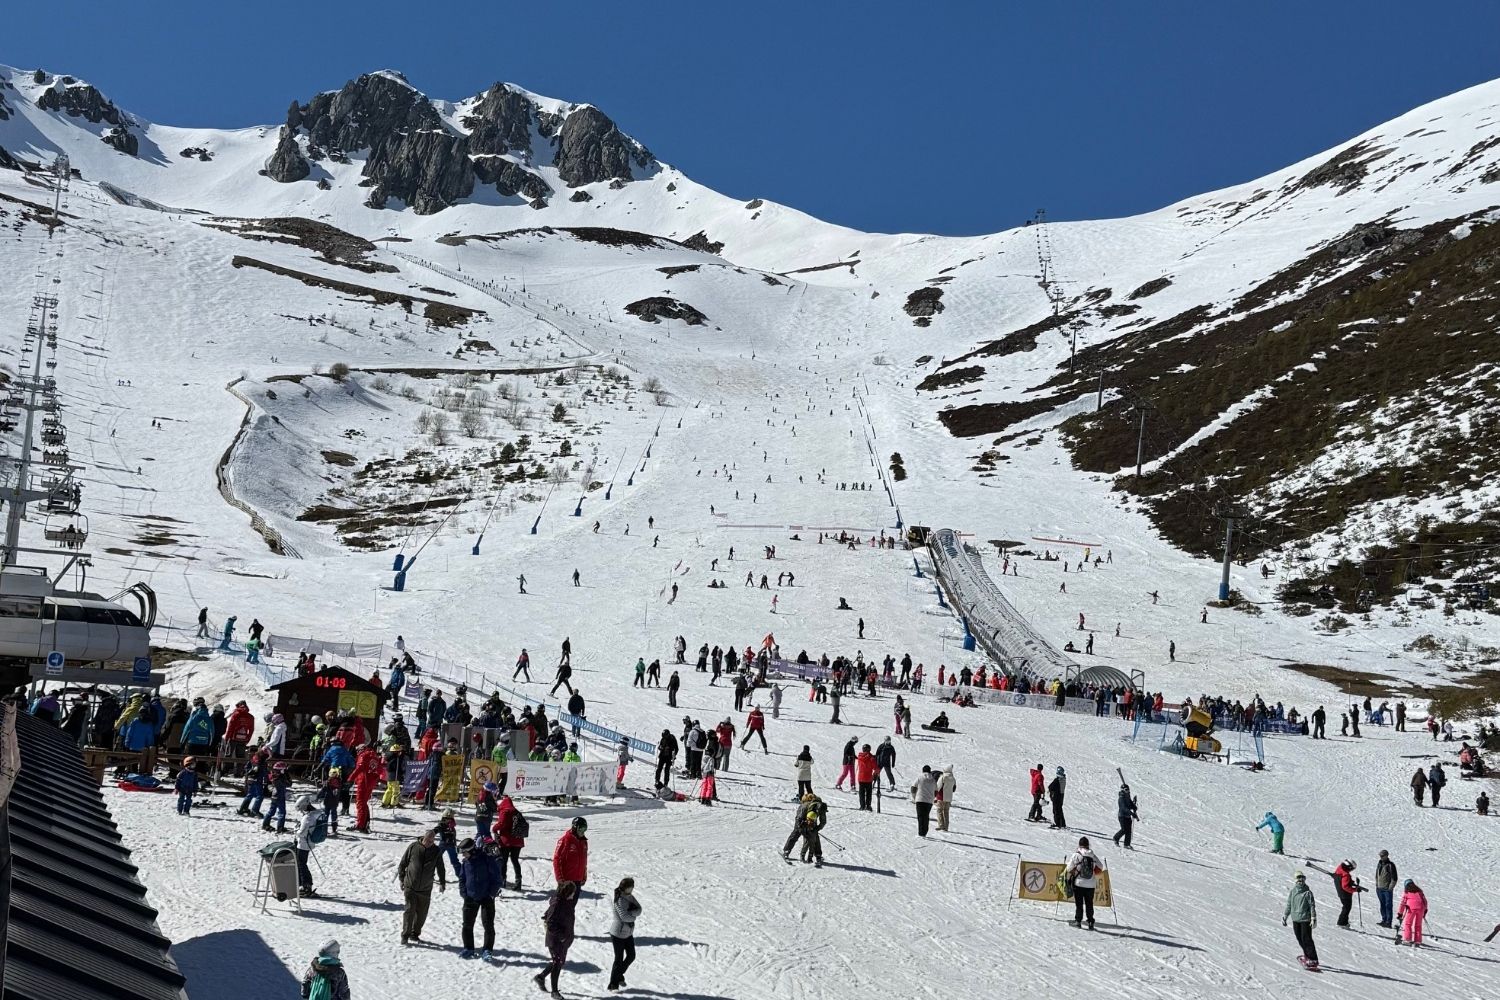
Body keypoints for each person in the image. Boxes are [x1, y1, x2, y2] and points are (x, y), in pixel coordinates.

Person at [398, 828, 447, 945]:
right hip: (411, 885)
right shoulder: (413, 847)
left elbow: (440, 867)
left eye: (432, 841)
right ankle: (405, 935)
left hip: (425, 888)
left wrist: (442, 882)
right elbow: (403, 863)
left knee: (421, 914)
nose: (429, 843)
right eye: (428, 840)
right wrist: (401, 879)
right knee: (409, 911)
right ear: (423, 838)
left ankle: (415, 934)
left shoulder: (436, 851)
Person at [457, 837, 501, 959]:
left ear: (471, 850)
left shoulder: (486, 859)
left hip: (486, 897)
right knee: (467, 924)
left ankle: (487, 950)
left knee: (488, 925)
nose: (463, 855)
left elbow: (497, 879)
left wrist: (491, 894)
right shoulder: (466, 862)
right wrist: (464, 893)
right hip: (470, 897)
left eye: (464, 852)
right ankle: (468, 948)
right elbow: (462, 878)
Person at [535, 880, 578, 996]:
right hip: (556, 940)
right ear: (567, 892)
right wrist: (562, 936)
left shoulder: (566, 902)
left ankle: (540, 977)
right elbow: (550, 923)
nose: (574, 894)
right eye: (573, 892)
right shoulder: (557, 904)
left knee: (558, 962)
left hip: (564, 940)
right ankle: (554, 992)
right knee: (557, 963)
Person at [607, 877, 641, 991]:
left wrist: (632, 912)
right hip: (618, 933)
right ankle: (613, 985)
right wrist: (633, 915)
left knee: (631, 956)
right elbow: (624, 917)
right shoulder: (619, 899)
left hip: (628, 933)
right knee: (619, 959)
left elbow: (639, 909)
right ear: (626, 887)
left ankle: (618, 975)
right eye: (631, 887)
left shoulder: (630, 897)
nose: (632, 889)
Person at [1066, 836, 1103, 929]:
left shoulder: (1076, 855)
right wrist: (1093, 873)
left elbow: (1068, 868)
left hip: (1079, 883)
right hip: (1091, 884)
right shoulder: (1092, 855)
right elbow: (1101, 867)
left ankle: (1078, 921)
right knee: (1089, 903)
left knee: (1079, 904)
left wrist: (1076, 871)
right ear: (1088, 845)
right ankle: (1091, 922)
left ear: (1079, 845)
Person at [1284, 872, 1319, 970]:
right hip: (1295, 919)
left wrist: (1313, 918)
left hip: (1305, 919)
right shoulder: (1293, 891)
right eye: (1299, 879)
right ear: (1295, 880)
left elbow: (1312, 906)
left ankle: (1313, 959)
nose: (1301, 881)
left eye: (1303, 878)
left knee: (1307, 939)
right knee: (1299, 938)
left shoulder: (1307, 892)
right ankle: (1307, 956)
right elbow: (1289, 904)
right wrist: (1285, 916)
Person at [782, 792, 826, 865]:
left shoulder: (817, 807)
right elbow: (823, 821)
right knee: (804, 835)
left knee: (801, 835)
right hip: (807, 822)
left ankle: (818, 855)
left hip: (807, 822)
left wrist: (815, 829)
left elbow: (823, 821)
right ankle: (818, 855)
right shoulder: (812, 806)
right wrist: (814, 829)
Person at [493, 793, 526, 889]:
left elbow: (501, 824)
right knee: (515, 860)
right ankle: (518, 881)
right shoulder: (516, 812)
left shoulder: (505, 811)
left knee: (504, 860)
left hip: (506, 840)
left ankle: (502, 880)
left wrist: (494, 828)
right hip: (518, 840)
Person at [294, 794, 321, 897]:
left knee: (301, 865)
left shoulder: (308, 817)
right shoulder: (314, 814)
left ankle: (306, 886)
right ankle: (304, 885)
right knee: (302, 864)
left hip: (303, 844)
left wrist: (295, 829)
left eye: (301, 809)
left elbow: (302, 833)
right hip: (308, 843)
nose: (301, 811)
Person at [553, 817, 588, 888]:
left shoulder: (584, 842)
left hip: (578, 880)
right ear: (575, 828)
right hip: (566, 880)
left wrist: (584, 876)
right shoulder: (565, 840)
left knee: (574, 899)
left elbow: (584, 861)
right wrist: (560, 878)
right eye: (581, 829)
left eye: (585, 829)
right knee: (561, 899)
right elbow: (557, 859)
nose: (583, 832)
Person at [1332, 860, 1363, 927]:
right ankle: (1341, 923)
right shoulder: (1346, 875)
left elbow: (1342, 879)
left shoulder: (1339, 869)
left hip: (1340, 892)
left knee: (1346, 907)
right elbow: (1345, 887)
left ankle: (1345, 921)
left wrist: (1350, 882)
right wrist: (1355, 890)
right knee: (1346, 908)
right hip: (1345, 894)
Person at [1396, 880, 1427, 946]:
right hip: (1421, 908)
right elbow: (1425, 901)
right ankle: (1417, 941)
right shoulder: (1420, 891)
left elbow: (1402, 903)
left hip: (1411, 909)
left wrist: (1400, 913)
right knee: (1418, 925)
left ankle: (1407, 939)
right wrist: (1425, 910)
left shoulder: (1407, 892)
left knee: (1408, 923)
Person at [911, 765, 936, 837]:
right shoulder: (933, 780)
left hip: (920, 799)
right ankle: (925, 831)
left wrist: (914, 797)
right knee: (926, 816)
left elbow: (913, 788)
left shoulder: (920, 777)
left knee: (920, 816)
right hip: (929, 801)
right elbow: (936, 790)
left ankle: (921, 833)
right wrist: (933, 798)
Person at [1375, 850, 1398, 928]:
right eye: (1380, 856)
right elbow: (1377, 875)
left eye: (1382, 856)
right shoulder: (1379, 864)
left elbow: (1394, 878)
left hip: (1386, 890)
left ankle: (1388, 922)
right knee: (1382, 905)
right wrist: (1377, 884)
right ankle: (1384, 920)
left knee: (1388, 905)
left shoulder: (1390, 865)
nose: (1381, 857)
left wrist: (1390, 888)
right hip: (1379, 889)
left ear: (1386, 856)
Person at [1114, 782, 1138, 848]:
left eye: (1128, 789)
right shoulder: (1121, 798)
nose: (1128, 791)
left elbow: (1130, 804)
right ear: (1122, 790)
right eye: (1126, 790)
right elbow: (1124, 808)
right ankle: (1116, 838)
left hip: (1127, 816)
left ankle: (1127, 844)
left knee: (1129, 831)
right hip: (1122, 816)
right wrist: (1132, 813)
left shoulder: (1127, 797)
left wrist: (1134, 807)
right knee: (1124, 829)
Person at [855, 744, 878, 811]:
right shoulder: (871, 758)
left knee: (861, 793)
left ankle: (862, 806)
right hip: (868, 778)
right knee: (868, 793)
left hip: (861, 778)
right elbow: (875, 768)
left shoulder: (860, 757)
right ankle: (868, 806)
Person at [936, 765, 956, 831]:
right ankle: (946, 827)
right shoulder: (953, 778)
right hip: (949, 798)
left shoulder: (942, 777)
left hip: (941, 797)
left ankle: (941, 825)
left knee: (939, 811)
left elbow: (938, 787)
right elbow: (954, 789)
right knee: (946, 812)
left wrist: (935, 795)